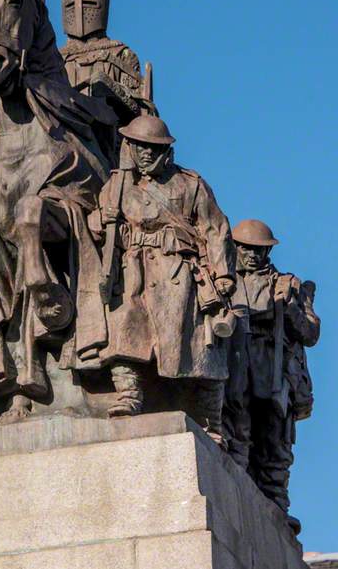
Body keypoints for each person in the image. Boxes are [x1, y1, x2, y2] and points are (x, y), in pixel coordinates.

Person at [91, 115, 235, 445]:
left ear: (164, 151)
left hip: (176, 273)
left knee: (200, 347)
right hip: (135, 269)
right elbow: (98, 222)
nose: (144, 154)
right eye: (138, 146)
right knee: (125, 332)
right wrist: (101, 219)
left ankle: (209, 419)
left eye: (151, 148)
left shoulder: (190, 184)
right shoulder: (118, 185)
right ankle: (129, 394)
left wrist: (223, 274)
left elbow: (216, 230)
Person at [223, 218, 319, 532]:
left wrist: (291, 312)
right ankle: (236, 488)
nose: (252, 255)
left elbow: (311, 332)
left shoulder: (286, 283)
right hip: (238, 364)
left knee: (276, 438)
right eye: (246, 248)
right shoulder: (222, 280)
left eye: (259, 250)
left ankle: (276, 504)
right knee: (238, 429)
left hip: (273, 365)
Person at [59, 0, 154, 127]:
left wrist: (111, 90)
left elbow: (139, 113)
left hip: (106, 133)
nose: (79, 9)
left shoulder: (121, 54)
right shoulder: (54, 57)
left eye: (89, 4)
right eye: (71, 5)